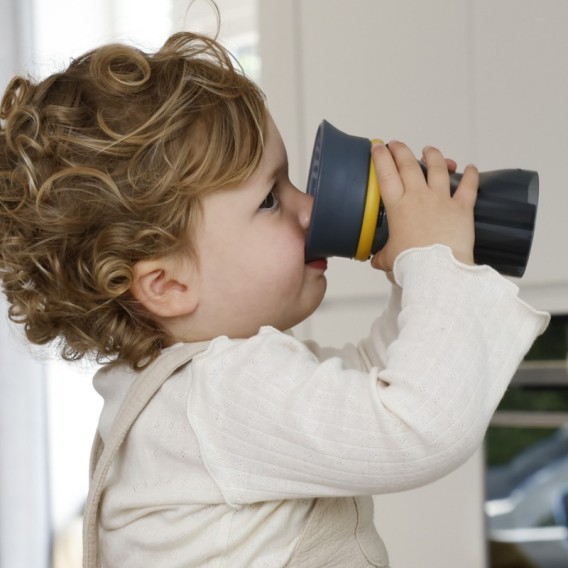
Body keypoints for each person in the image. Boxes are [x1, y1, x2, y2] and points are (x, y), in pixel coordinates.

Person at [0, 28, 549, 568]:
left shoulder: (185, 392)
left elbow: (373, 389)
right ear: (167, 285)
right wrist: (436, 261)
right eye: (270, 199)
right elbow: (417, 429)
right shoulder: (219, 395)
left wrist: (416, 273)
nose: (308, 209)